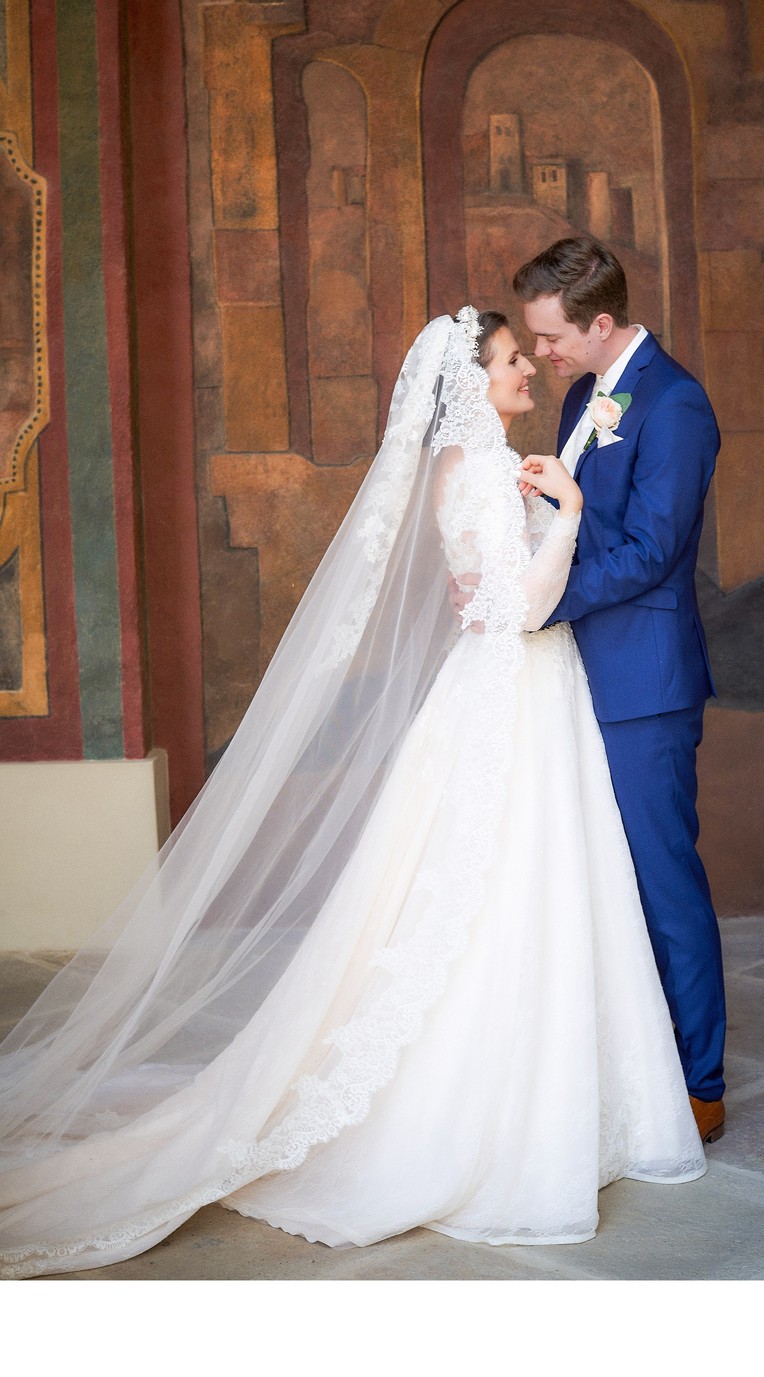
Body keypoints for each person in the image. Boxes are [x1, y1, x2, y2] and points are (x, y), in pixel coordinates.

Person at [0, 308, 705, 1280]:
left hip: (527, 701)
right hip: (512, 701)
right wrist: (572, 514)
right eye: (509, 362)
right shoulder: (482, 479)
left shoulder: (487, 473)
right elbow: (521, 607)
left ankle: (551, 1089)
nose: (527, 375)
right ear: (470, 384)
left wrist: (551, 507)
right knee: (500, 895)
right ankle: (483, 1107)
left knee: (527, 893)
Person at [513, 236, 726, 1144]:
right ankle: (628, 1065)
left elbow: (649, 554)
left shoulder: (675, 405)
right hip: (574, 675)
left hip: (643, 682)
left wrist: (539, 605)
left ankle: (700, 1085)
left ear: (600, 324)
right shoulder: (578, 394)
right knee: (598, 879)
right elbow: (579, 522)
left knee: (661, 879)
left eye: (553, 337)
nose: (543, 353)